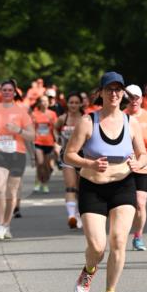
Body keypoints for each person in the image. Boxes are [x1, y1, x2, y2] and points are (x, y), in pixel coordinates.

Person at [63, 72, 147, 292]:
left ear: (123, 93)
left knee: (119, 240)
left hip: (123, 186)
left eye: (118, 89)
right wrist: (89, 163)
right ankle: (89, 269)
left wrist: (139, 164)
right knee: (98, 247)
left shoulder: (131, 123)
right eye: (109, 89)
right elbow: (69, 155)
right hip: (93, 188)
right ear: (100, 92)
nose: (114, 94)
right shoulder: (88, 122)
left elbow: (143, 154)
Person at [0, 78, 34, 240]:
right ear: (0, 92)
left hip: (17, 154)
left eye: (10, 90)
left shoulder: (22, 112)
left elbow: (32, 136)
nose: (7, 92)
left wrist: (18, 130)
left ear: (14, 92)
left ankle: (6, 225)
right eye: (4, 90)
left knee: (11, 192)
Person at [124, 84, 147, 251]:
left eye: (136, 97)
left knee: (140, 203)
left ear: (141, 99)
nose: (134, 101)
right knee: (124, 204)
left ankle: (138, 236)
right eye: (130, 98)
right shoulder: (120, 116)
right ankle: (120, 234)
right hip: (123, 166)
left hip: (144, 165)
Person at [55, 91, 84, 229]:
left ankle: (79, 214)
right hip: (67, 155)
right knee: (71, 186)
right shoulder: (62, 118)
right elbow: (55, 129)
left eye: (76, 102)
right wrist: (57, 140)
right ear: (67, 104)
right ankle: (71, 216)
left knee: (81, 188)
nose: (73, 105)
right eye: (71, 102)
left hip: (83, 156)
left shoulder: (85, 119)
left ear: (81, 104)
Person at [31, 94, 58, 193]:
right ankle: (38, 182)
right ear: (39, 103)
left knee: (48, 166)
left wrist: (57, 142)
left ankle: (44, 182)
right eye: (42, 101)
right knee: (40, 163)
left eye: (46, 101)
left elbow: (55, 129)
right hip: (38, 142)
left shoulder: (52, 114)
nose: (44, 103)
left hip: (49, 142)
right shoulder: (34, 114)